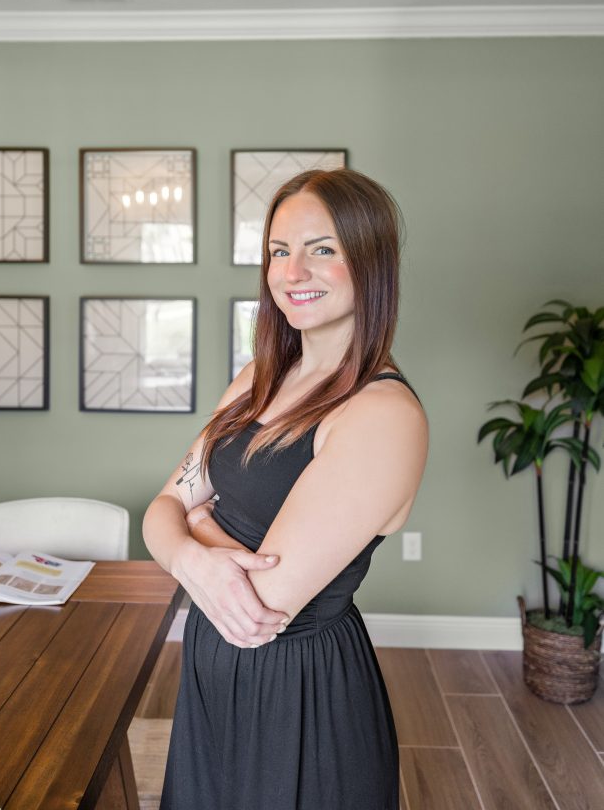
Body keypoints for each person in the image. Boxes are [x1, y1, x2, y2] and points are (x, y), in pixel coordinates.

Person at [143, 166, 429, 810]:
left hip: (296, 691)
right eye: (279, 251)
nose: (292, 272)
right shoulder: (257, 380)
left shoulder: (382, 415)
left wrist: (194, 529)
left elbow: (258, 604)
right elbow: (158, 509)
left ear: (371, 262)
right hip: (213, 669)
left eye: (322, 250)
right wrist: (192, 554)